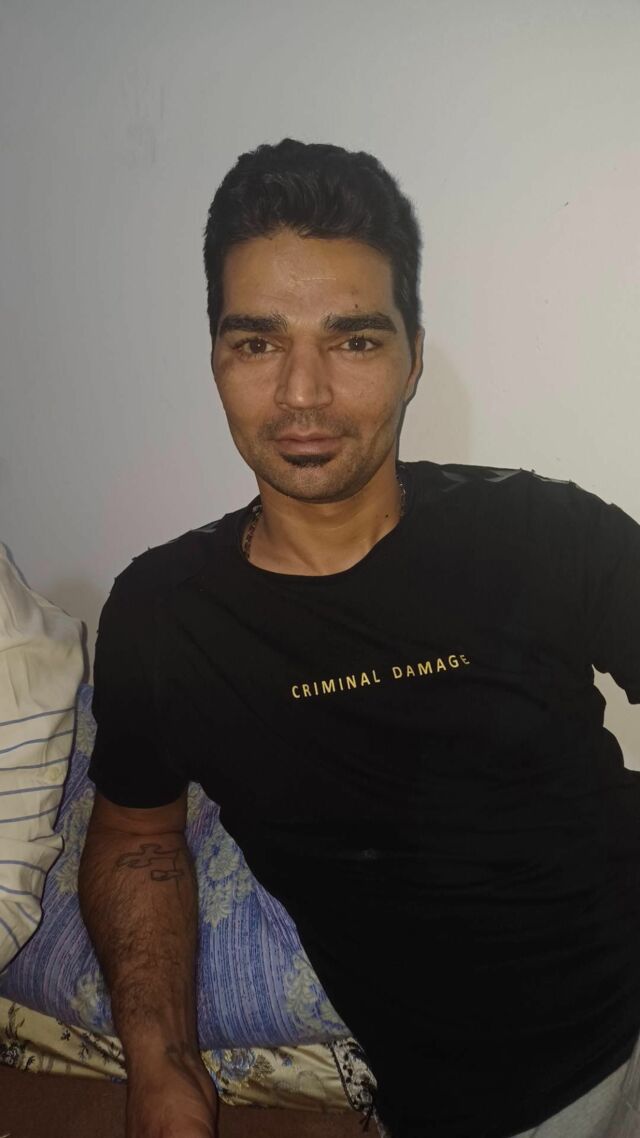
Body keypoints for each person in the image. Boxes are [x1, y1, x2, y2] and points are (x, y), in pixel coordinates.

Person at [78, 138, 640, 1138]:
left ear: (412, 356)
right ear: (216, 359)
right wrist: (161, 1064)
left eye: (354, 341)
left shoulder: (544, 530)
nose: (303, 393)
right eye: (258, 343)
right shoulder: (167, 618)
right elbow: (136, 833)